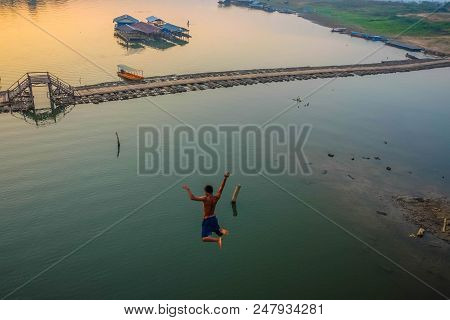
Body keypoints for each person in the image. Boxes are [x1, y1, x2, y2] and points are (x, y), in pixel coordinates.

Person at [182, 172, 230, 249]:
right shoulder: (216, 197)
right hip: (214, 218)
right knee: (219, 232)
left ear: (206, 192)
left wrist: (188, 189)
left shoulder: (205, 198)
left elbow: (192, 198)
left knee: (204, 238)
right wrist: (225, 178)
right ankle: (221, 231)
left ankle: (217, 240)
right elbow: (221, 188)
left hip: (207, 219)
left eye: (204, 191)